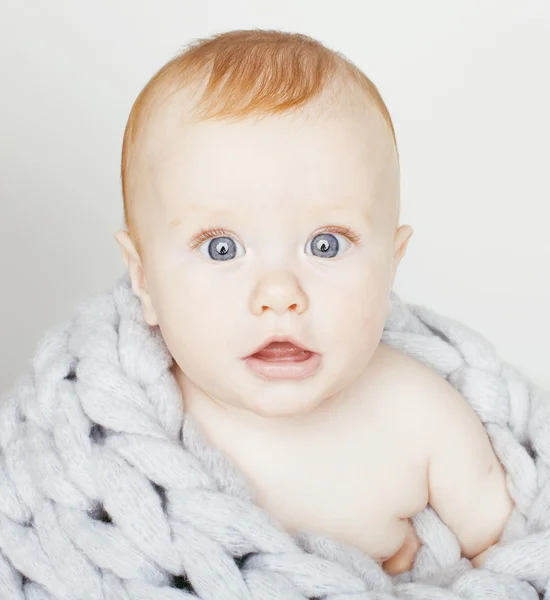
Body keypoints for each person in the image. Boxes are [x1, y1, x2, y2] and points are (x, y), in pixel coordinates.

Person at [115, 29, 514, 574]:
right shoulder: (132, 432)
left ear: (391, 264)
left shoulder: (422, 417)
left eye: (325, 245)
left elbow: (516, 559)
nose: (279, 294)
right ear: (143, 279)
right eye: (221, 247)